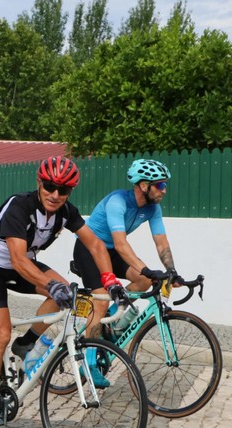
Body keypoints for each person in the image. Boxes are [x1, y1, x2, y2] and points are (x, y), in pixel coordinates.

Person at [0, 156, 128, 428]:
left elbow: (95, 244)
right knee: (1, 334)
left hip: (23, 265)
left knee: (66, 291)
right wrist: (49, 285)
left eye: (63, 190)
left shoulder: (66, 212)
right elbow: (18, 260)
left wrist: (110, 280)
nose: (55, 194)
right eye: (50, 187)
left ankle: (26, 343)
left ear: (70, 191)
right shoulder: (20, 206)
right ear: (39, 183)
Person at [72, 158, 179, 386]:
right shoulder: (117, 202)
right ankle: (88, 365)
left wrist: (171, 270)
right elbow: (121, 244)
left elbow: (161, 241)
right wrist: (146, 269)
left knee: (143, 281)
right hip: (89, 250)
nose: (164, 190)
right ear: (144, 186)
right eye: (160, 185)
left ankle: (109, 322)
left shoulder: (153, 208)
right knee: (101, 301)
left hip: (110, 251)